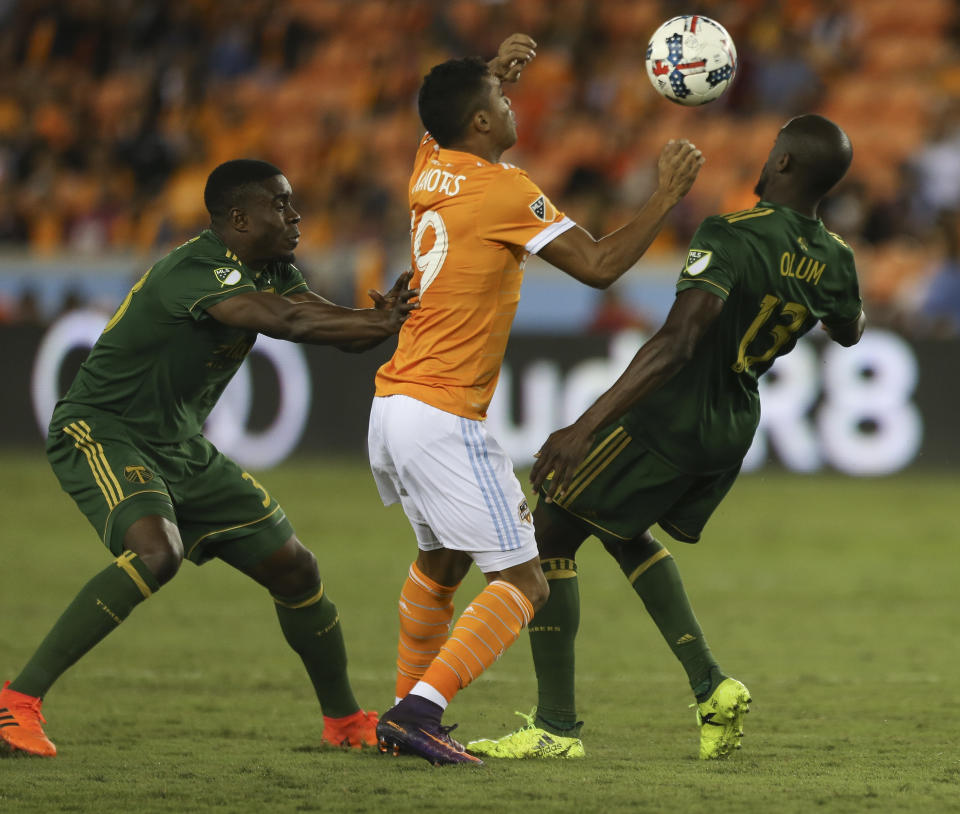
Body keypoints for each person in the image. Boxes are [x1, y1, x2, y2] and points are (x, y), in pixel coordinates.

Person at [466, 114, 865, 761]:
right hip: (732, 424)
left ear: (785, 165)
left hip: (671, 415)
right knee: (620, 527)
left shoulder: (731, 234)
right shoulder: (837, 258)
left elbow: (678, 341)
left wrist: (583, 426)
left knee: (551, 530)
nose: (764, 162)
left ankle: (556, 727)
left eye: (771, 154)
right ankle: (711, 689)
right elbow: (849, 330)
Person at [0, 159, 418, 757]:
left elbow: (325, 321)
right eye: (282, 204)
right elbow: (289, 320)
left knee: (295, 567)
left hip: (180, 446)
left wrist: (382, 320)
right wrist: (374, 320)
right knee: (156, 551)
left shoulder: (271, 265)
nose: (296, 214)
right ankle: (15, 706)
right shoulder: (194, 270)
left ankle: (346, 722)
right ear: (240, 218)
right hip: (103, 428)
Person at [366, 33, 704, 766]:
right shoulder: (504, 190)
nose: (511, 101)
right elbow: (600, 266)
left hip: (392, 403)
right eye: (500, 99)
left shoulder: (430, 166)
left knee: (442, 562)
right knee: (525, 582)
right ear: (480, 125)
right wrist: (666, 196)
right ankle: (420, 712)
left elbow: (440, 118)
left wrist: (485, 73)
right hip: (442, 411)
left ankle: (400, 711)